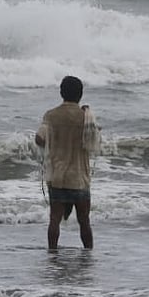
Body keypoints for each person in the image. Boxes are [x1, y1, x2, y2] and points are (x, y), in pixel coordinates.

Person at [34, 75, 101, 249]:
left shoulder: (51, 115)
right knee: (84, 221)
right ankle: (88, 253)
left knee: (54, 219)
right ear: (80, 94)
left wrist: (53, 143)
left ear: (61, 93)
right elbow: (95, 142)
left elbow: (39, 139)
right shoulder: (85, 117)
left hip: (58, 176)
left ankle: (52, 253)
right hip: (79, 178)